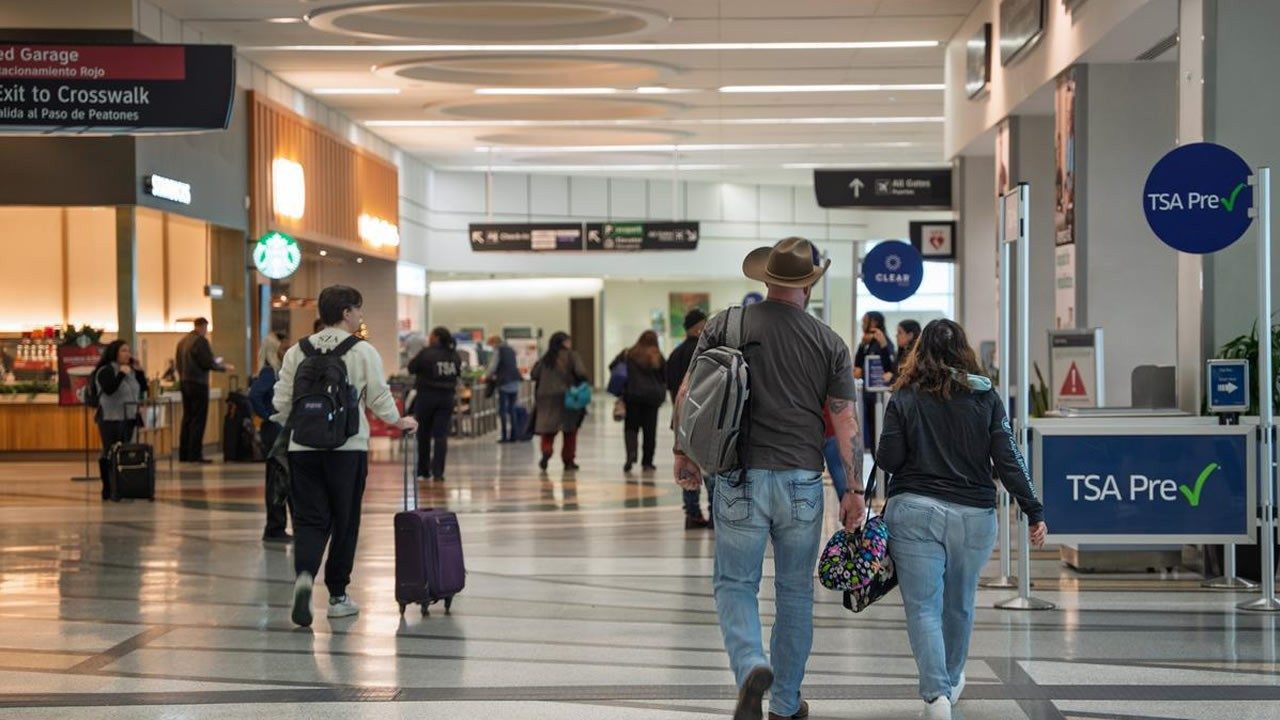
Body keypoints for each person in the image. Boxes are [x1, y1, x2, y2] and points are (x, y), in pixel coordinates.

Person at [673, 237, 864, 720]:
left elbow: (689, 394)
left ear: (766, 279)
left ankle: (751, 663)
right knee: (796, 592)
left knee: (736, 583)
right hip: (802, 481)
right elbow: (845, 422)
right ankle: (783, 703)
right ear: (809, 285)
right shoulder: (829, 342)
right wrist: (854, 490)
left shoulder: (727, 323)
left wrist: (683, 453)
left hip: (738, 477)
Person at [876, 319, 1046, 720]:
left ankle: (937, 697)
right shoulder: (985, 397)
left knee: (923, 608)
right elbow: (1008, 458)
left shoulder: (904, 396)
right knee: (960, 604)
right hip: (974, 516)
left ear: (919, 350)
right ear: (965, 351)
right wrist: (1033, 508)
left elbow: (888, 459)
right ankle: (950, 682)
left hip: (915, 512)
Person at [273, 285, 418, 627]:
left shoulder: (298, 350)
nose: (360, 316)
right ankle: (337, 596)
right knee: (345, 520)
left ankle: (305, 578)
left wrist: (295, 427)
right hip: (347, 449)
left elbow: (281, 402)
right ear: (346, 313)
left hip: (302, 449)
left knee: (309, 520)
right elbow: (379, 398)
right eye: (358, 310)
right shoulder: (361, 351)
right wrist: (401, 422)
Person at [665, 309, 711, 528]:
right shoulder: (704, 353)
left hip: (681, 417)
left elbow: (671, 387)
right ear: (698, 326)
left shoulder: (675, 353)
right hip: (703, 418)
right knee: (709, 467)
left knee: (686, 465)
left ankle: (692, 513)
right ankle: (714, 514)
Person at [92, 340, 147, 501]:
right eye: (123, 351)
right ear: (114, 353)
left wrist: (139, 371)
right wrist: (121, 374)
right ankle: (108, 488)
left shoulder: (130, 370)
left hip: (129, 417)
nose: (127, 354)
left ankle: (123, 485)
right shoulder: (105, 371)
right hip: (110, 417)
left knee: (125, 452)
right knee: (110, 451)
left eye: (128, 351)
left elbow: (142, 388)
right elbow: (109, 389)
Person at [175, 317, 233, 463]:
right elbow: (206, 362)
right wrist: (223, 367)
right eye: (206, 328)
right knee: (198, 419)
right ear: (202, 327)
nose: (206, 332)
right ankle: (195, 454)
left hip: (184, 383)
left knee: (187, 418)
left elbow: (178, 363)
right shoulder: (200, 341)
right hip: (198, 384)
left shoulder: (182, 342)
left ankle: (184, 454)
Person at [408, 327, 462, 483]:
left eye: (431, 335)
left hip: (426, 397)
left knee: (423, 434)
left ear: (436, 337)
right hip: (447, 398)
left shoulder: (426, 353)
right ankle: (438, 472)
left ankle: (423, 471)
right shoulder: (454, 355)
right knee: (440, 436)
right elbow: (458, 373)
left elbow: (412, 368)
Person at [250, 332, 289, 542]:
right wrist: (268, 415)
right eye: (283, 347)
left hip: (276, 428)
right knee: (277, 479)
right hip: (273, 430)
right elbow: (254, 394)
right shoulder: (270, 372)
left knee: (280, 477)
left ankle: (277, 526)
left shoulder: (275, 371)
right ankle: (274, 527)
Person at [610, 330, 667, 475]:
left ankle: (631, 455)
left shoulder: (628, 353)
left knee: (631, 428)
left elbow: (612, 366)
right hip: (652, 399)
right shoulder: (657, 356)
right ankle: (647, 462)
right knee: (650, 432)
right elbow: (665, 375)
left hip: (632, 397)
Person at [531, 331, 588, 472]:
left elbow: (534, 374)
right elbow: (581, 373)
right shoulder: (572, 356)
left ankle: (547, 451)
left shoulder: (546, 358)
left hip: (545, 398)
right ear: (564, 343)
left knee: (548, 430)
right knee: (569, 431)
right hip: (566, 396)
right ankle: (568, 461)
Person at [853, 311, 894, 450]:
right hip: (869, 396)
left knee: (879, 434)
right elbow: (857, 369)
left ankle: (882, 470)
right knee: (871, 436)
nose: (862, 324)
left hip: (879, 398)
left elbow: (888, 366)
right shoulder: (867, 343)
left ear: (874, 322)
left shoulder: (883, 343)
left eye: (865, 321)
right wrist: (861, 345)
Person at [485, 335, 524, 443]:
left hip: (504, 383)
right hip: (515, 381)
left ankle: (504, 436)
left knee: (502, 410)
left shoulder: (499, 350)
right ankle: (514, 435)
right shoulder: (511, 350)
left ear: (494, 343)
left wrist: (486, 376)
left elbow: (493, 366)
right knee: (512, 409)